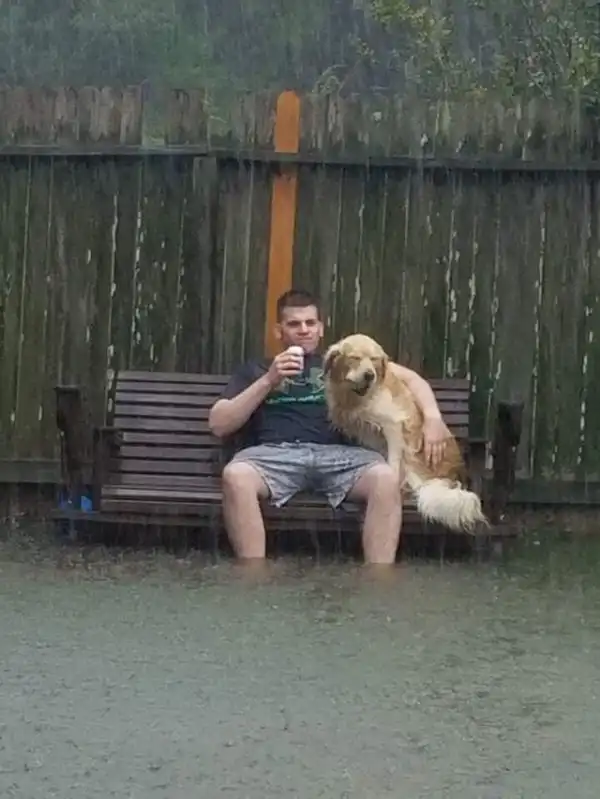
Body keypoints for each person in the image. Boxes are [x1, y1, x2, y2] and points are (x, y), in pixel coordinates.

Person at [208, 289, 451, 565]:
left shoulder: (343, 361)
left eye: (310, 323)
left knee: (385, 478)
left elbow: (413, 380)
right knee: (235, 476)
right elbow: (219, 424)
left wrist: (433, 418)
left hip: (340, 455)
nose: (304, 330)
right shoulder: (257, 369)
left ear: (320, 329)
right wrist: (269, 380)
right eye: (294, 324)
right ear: (278, 331)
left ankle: (379, 576)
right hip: (276, 454)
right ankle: (252, 575)